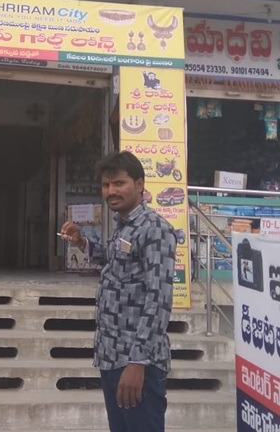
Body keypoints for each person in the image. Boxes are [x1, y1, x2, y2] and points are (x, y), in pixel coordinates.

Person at [59, 150, 176, 432]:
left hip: (136, 362)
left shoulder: (155, 229)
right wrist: (83, 242)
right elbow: (116, 260)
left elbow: (159, 299)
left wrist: (138, 361)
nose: (111, 191)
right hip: (111, 354)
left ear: (139, 185)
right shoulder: (124, 225)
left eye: (119, 183)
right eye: (106, 185)